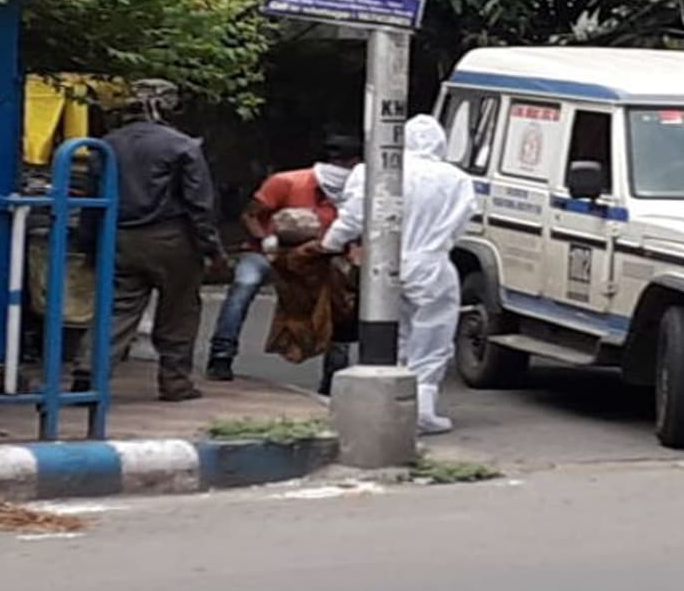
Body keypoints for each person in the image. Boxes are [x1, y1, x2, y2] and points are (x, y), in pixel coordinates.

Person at [313, 115, 476, 434]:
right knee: (431, 336)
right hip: (431, 262)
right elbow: (461, 225)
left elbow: (353, 216)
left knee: (394, 332)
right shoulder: (456, 178)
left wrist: (329, 243)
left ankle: (394, 402)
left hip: (384, 262)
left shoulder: (375, 170)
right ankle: (421, 407)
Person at [73, 79, 225, 402]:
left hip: (119, 238)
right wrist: (212, 248)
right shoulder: (182, 146)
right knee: (179, 311)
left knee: (116, 309)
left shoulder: (105, 145)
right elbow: (200, 204)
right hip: (173, 240)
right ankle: (175, 382)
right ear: (167, 105)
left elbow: (90, 202)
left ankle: (88, 371)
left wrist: (88, 246)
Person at [206, 135, 362, 394]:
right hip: (270, 253)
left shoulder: (356, 191)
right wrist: (265, 239)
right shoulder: (286, 182)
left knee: (339, 301)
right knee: (244, 284)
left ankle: (333, 373)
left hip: (319, 257)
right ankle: (221, 354)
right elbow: (250, 214)